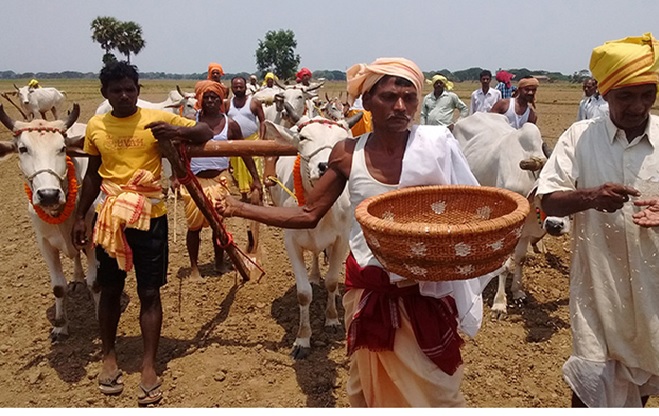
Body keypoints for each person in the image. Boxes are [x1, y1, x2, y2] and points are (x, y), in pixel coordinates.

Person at [215, 57, 491, 407]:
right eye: (390, 97)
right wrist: (239, 208)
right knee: (370, 389)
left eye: (409, 96)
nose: (401, 106)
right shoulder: (348, 154)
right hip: (368, 290)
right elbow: (308, 212)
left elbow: (469, 206)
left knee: (439, 391)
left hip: (427, 290)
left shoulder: (437, 144)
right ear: (366, 102)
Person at [71, 61, 213, 405]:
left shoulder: (153, 120)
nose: (124, 95)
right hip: (111, 218)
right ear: (105, 93)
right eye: (116, 90)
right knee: (110, 290)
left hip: (151, 216)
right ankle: (109, 356)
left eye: (130, 89)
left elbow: (205, 131)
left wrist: (175, 132)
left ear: (138, 90)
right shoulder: (96, 126)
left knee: (149, 291)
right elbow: (92, 176)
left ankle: (149, 365)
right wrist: (79, 216)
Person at [537, 32, 659, 408]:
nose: (638, 106)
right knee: (591, 387)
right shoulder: (579, 138)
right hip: (598, 294)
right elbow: (547, 200)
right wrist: (590, 197)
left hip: (653, 293)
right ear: (604, 94)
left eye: (648, 94)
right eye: (626, 95)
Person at [179, 80, 263, 280]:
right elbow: (179, 152)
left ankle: (218, 263)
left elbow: (244, 152)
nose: (209, 100)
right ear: (200, 99)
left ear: (221, 100)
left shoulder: (230, 125)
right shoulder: (190, 123)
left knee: (219, 224)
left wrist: (256, 179)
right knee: (194, 227)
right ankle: (194, 268)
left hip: (219, 180)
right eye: (206, 97)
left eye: (214, 97)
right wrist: (176, 177)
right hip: (194, 182)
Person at [226, 76, 266, 199]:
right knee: (238, 170)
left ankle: (259, 194)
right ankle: (243, 195)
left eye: (241, 87)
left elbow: (263, 121)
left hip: (252, 141)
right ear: (232, 88)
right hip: (234, 143)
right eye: (235, 87)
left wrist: (261, 140)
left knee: (256, 169)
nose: (238, 89)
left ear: (245, 87)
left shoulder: (254, 102)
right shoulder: (228, 104)